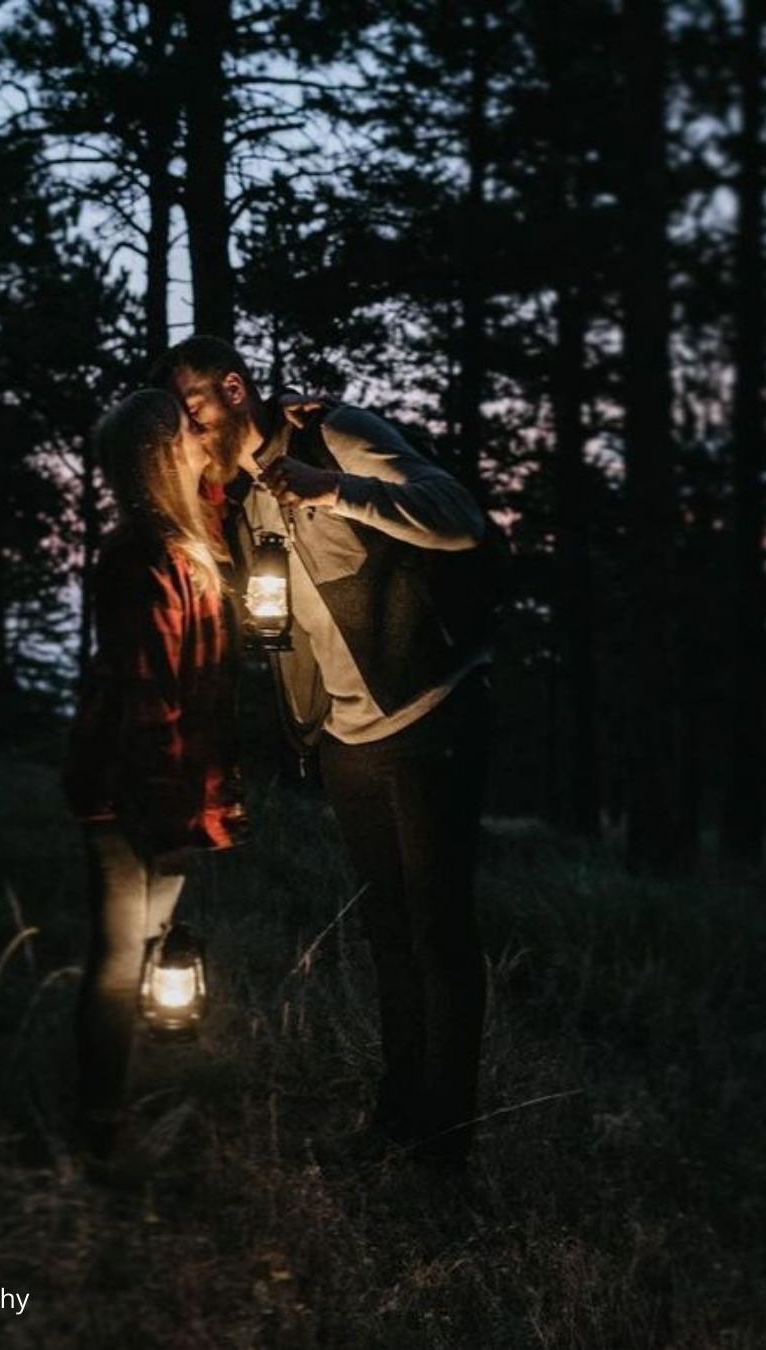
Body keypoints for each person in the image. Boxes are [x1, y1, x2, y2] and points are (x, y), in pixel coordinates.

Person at [150, 336, 491, 1169]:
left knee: (439, 934)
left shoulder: (330, 434)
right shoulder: (239, 499)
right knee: (388, 934)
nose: (190, 427)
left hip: (426, 712)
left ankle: (446, 1150)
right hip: (345, 738)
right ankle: (398, 1115)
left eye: (194, 406)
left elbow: (459, 517)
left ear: (234, 389)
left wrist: (334, 487)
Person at [61, 387, 246, 1165]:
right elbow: (147, 702)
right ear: (167, 455)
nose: (208, 443)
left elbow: (219, 479)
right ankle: (102, 1133)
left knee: (145, 948)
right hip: (131, 789)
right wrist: (168, 823)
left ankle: (120, 1107)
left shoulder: (186, 537)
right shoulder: (147, 559)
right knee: (118, 959)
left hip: (168, 786)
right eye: (193, 435)